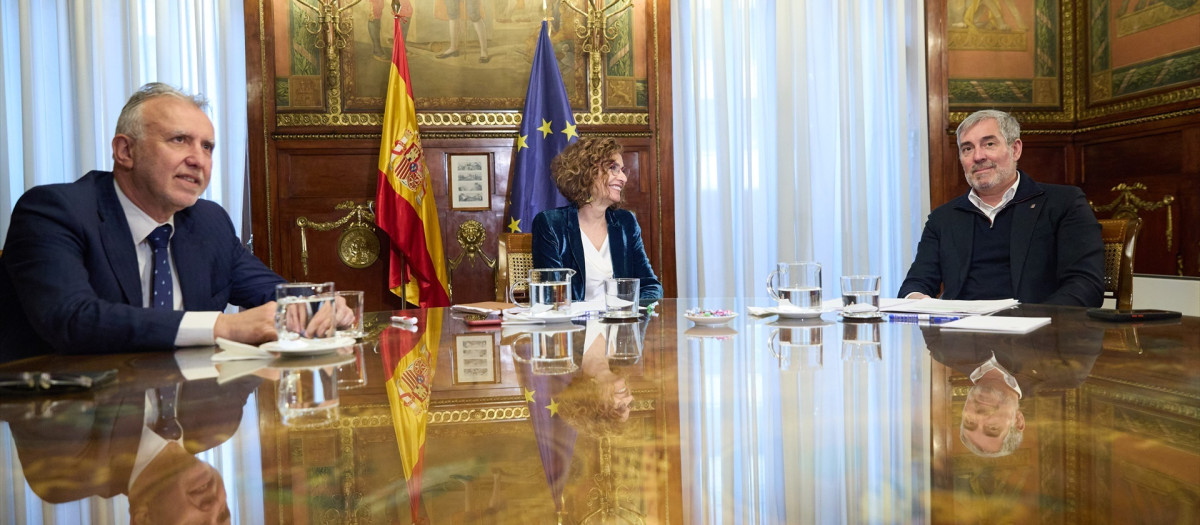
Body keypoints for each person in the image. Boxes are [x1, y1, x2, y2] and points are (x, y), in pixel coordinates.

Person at [0, 83, 314, 360]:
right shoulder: (54, 212)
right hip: (73, 412)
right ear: (125, 151)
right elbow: (72, 320)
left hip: (188, 407)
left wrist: (319, 306)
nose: (198, 159)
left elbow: (276, 294)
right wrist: (223, 326)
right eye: (179, 140)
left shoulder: (208, 221)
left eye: (207, 147)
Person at [897, 109, 1104, 306]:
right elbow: (916, 283)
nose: (978, 156)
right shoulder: (943, 218)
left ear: (1015, 149)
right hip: (961, 335)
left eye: (989, 144)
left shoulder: (1063, 203)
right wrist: (917, 300)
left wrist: (1038, 324)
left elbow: (1085, 286)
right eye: (967, 148)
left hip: (1036, 335)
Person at [531, 137, 663, 303]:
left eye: (622, 170)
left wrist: (627, 312)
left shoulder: (625, 222)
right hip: (573, 327)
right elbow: (552, 296)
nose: (624, 178)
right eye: (613, 168)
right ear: (587, 172)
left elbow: (651, 286)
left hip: (621, 325)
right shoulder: (551, 224)